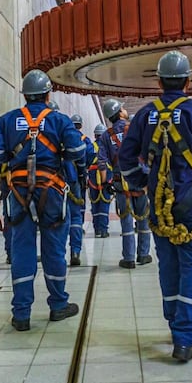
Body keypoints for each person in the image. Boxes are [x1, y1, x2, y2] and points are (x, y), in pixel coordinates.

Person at [118, 50, 192, 362]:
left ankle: (175, 325)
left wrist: (140, 183)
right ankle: (184, 338)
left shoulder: (145, 115)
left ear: (159, 81)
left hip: (159, 205)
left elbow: (126, 158)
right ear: (188, 81)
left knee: (168, 264)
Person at [0, 70, 85, 331]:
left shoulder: (7, 121)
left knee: (22, 250)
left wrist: (11, 160)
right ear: (47, 93)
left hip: (17, 192)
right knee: (54, 248)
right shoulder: (59, 121)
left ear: (25, 95)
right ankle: (57, 305)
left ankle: (21, 314)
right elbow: (77, 151)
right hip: (51, 191)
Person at [97, 99, 152, 269]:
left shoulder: (106, 136)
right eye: (122, 108)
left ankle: (128, 258)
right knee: (143, 218)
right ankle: (143, 255)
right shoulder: (135, 129)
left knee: (126, 221)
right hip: (140, 181)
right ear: (119, 112)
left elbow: (101, 161)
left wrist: (106, 182)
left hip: (121, 183)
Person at [67, 114, 95, 266]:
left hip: (54, 181)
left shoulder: (59, 134)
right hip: (75, 179)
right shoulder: (84, 139)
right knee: (76, 215)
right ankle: (75, 251)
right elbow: (90, 155)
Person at [88, 123, 112, 238]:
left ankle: (97, 229)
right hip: (106, 174)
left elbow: (85, 161)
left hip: (92, 175)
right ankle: (103, 229)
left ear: (95, 135)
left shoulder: (90, 146)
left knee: (95, 202)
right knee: (105, 201)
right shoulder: (108, 146)